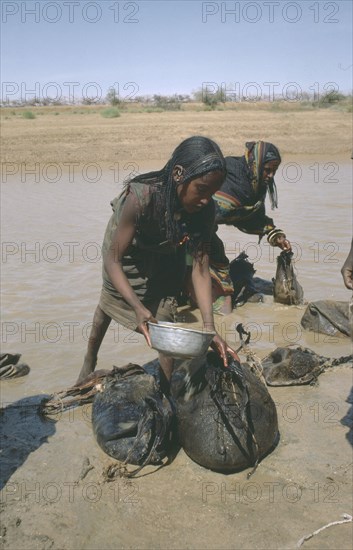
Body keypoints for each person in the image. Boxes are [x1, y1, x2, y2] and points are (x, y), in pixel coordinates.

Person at [76, 136, 239, 385]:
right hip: (125, 252)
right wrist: (138, 307)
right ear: (178, 174)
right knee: (107, 304)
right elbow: (113, 260)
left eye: (213, 193)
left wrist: (209, 328)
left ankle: (164, 390)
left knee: (165, 318)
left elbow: (200, 269)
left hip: (166, 249)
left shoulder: (204, 209)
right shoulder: (142, 197)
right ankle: (89, 360)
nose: (207, 199)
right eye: (202, 190)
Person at [208, 141, 292, 315]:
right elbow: (201, 210)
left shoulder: (254, 187)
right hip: (188, 232)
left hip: (206, 233)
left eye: (274, 172)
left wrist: (276, 236)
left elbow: (253, 219)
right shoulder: (228, 175)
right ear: (255, 164)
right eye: (267, 170)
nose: (270, 176)